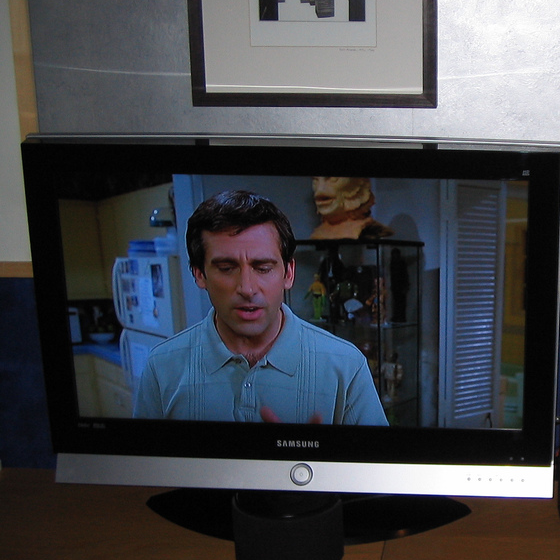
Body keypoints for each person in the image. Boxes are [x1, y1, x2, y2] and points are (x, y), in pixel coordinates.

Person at [133, 189, 389, 426]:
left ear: (288, 273)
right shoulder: (162, 367)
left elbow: (378, 461)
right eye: (226, 268)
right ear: (199, 274)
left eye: (263, 268)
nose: (247, 288)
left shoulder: (346, 365)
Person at [309, 176, 394, 240]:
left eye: (333, 179)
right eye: (315, 180)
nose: (319, 190)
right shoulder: (318, 234)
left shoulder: (368, 231)